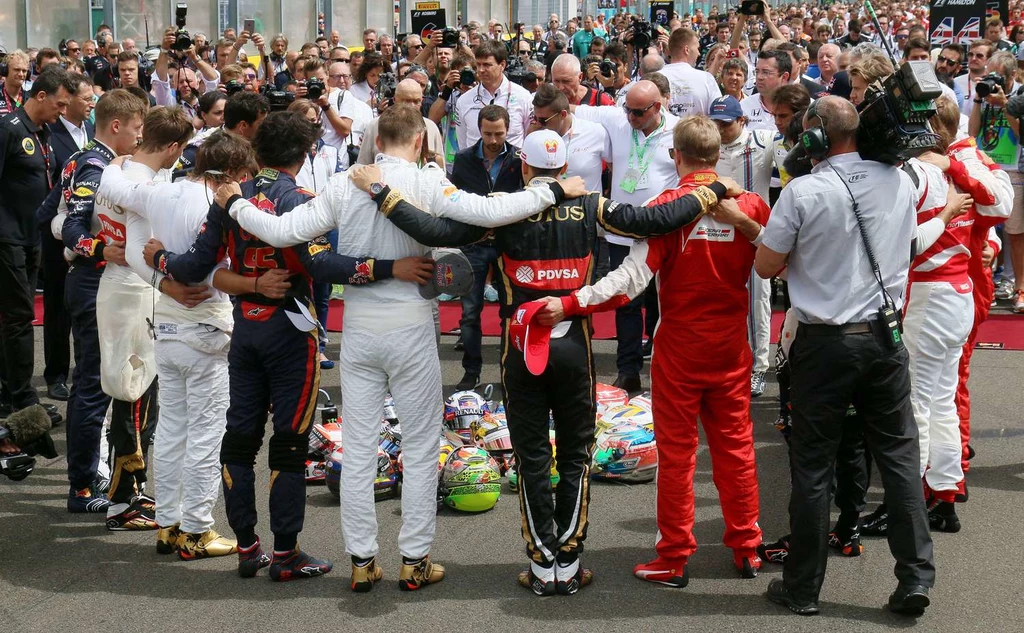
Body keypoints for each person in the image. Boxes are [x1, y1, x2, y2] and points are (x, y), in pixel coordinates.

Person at [213, 105, 587, 593]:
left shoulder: (348, 180)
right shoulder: (426, 181)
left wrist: (235, 205)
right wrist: (554, 188)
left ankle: (363, 561)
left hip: (361, 327)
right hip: (410, 324)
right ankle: (414, 559)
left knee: (361, 447)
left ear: (376, 141)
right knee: (420, 444)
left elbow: (282, 231)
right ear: (418, 142)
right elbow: (489, 212)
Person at [352, 127, 737, 595]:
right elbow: (654, 222)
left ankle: (541, 565)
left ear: (526, 167)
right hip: (575, 344)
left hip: (521, 348)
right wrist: (713, 188)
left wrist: (381, 192)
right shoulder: (590, 203)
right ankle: (570, 565)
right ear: (565, 168)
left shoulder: (506, 210)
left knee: (533, 457)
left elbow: (433, 231)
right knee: (575, 455)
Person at [145, 111, 434, 580]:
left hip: (245, 333)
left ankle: (246, 548)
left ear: (256, 151)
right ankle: (285, 555)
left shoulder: (229, 198)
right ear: (306, 154)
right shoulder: (300, 198)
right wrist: (389, 269)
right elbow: (324, 265)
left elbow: (194, 264)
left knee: (238, 439)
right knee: (288, 443)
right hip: (290, 336)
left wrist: (158, 258)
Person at [538, 115, 769, 587]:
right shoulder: (751, 205)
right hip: (730, 348)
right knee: (737, 449)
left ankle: (675, 556)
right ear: (718, 154)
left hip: (680, 350)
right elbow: (782, 263)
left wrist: (568, 304)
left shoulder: (668, 207)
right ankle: (747, 547)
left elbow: (629, 281)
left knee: (679, 454)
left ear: (675, 155)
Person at [753, 97, 936, 617]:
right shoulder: (900, 181)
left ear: (813, 138)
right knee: (899, 460)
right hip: (885, 338)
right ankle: (915, 578)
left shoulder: (804, 190)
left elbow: (766, 265)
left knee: (812, 467)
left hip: (825, 343)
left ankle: (803, 587)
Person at [97, 109, 260, 557]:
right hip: (206, 325)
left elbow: (122, 220)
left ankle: (168, 524)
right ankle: (196, 529)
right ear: (229, 171)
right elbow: (218, 271)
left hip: (166, 326)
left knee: (171, 429)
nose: (244, 184)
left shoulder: (158, 193)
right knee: (206, 434)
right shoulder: (220, 205)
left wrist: (116, 159)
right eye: (242, 176)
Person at [59, 89, 148, 516]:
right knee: (95, 383)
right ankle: (80, 486)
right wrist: (99, 249)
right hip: (96, 284)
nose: (140, 135)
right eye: (136, 128)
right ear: (117, 125)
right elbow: (70, 223)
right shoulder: (95, 164)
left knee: (101, 381)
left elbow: (49, 214)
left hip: (97, 283)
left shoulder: (82, 158)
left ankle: (93, 472)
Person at [573, 80, 678, 394]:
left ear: (658, 107)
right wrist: (569, 86)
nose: (631, 117)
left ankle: (665, 372)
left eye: (639, 112)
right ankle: (628, 371)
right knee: (626, 304)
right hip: (621, 233)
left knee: (663, 304)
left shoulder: (678, 130)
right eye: (628, 110)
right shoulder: (618, 119)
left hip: (663, 232)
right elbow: (576, 110)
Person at [0, 66, 71, 424]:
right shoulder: (9, 130)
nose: (62, 111)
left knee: (14, 319)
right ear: (40, 96)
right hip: (8, 238)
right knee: (19, 318)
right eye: (58, 104)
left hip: (33, 237)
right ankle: (23, 399)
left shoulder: (44, 133)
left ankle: (7, 389)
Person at [448, 105, 523, 391]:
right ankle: (471, 370)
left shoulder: (518, 158)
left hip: (507, 244)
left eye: (499, 134)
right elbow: (456, 198)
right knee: (469, 312)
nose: (493, 140)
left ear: (508, 130)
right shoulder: (465, 158)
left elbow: (524, 196)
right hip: (474, 244)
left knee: (511, 310)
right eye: (488, 133)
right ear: (479, 130)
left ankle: (510, 369)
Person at [707, 96, 777, 398]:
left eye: (725, 123)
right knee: (718, 300)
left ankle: (759, 367)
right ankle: (724, 363)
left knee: (757, 302)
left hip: (756, 231)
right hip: (718, 235)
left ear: (742, 121)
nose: (719, 129)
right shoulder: (708, 146)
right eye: (715, 123)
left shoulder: (763, 141)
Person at [39, 72, 94, 403]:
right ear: (68, 99)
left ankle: (81, 368)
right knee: (58, 306)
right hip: (57, 231)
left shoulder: (91, 131)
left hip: (87, 231)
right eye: (86, 98)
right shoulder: (50, 134)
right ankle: (56, 373)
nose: (91, 104)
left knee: (83, 304)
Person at [968, 51, 1024, 312]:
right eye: (989, 74)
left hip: (1014, 170)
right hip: (987, 166)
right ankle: (988, 282)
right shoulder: (984, 93)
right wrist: (979, 99)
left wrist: (1005, 104)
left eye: (997, 76)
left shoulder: (1020, 94)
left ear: (1012, 75)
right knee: (986, 228)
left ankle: (1019, 287)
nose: (991, 80)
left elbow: (1020, 131)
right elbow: (972, 132)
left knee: (1015, 233)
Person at [454, 40, 533, 150]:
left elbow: (529, 138)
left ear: (502, 65)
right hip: (476, 165)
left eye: (487, 65)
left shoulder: (523, 97)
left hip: (512, 165)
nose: (481, 70)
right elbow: (462, 143)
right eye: (478, 64)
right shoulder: (463, 101)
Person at [659, 29, 722, 119]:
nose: (699, 53)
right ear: (687, 50)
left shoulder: (655, 78)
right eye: (697, 48)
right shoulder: (706, 78)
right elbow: (717, 116)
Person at [0, 50, 31, 115]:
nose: (21, 74)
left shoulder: (31, 99)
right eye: (17, 70)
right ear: (5, 71)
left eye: (24, 71)